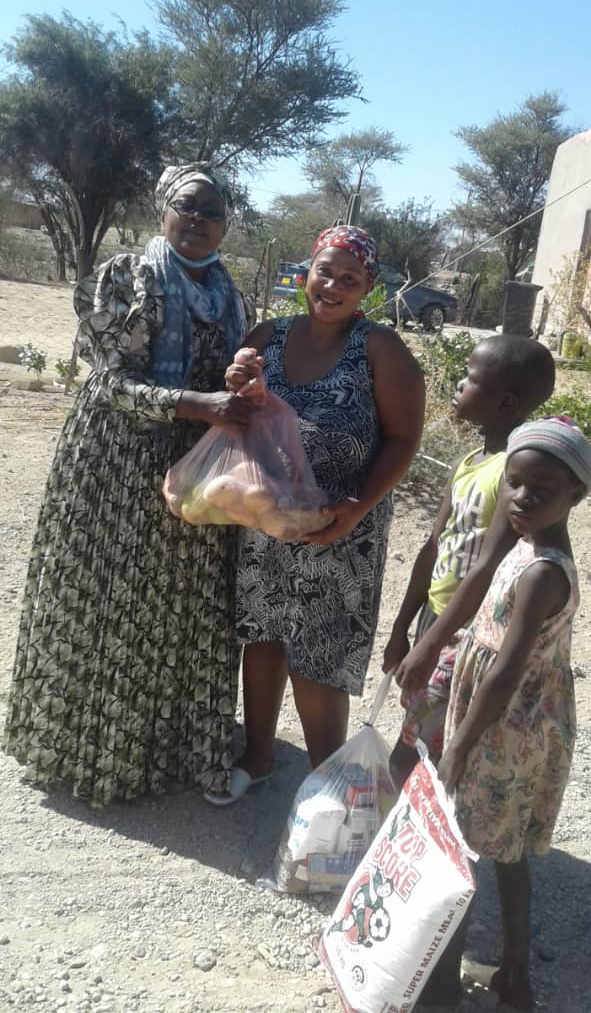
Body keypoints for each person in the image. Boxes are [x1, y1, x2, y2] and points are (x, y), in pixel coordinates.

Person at [3, 162, 254, 808]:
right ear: (163, 208)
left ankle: (169, 749)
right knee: (111, 602)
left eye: (212, 212)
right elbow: (108, 380)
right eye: (187, 206)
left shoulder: (231, 296)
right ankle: (94, 752)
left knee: (181, 605)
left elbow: (229, 380)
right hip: (116, 462)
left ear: (226, 226)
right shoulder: (126, 277)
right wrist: (194, 403)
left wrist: (238, 390)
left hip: (196, 467)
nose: (198, 220)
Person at [205, 225, 425, 804]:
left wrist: (356, 508)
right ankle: (258, 756)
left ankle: (327, 786)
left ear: (367, 287)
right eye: (325, 271)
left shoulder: (379, 348)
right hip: (268, 521)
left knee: (320, 654)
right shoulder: (268, 336)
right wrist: (237, 385)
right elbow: (240, 415)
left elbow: (404, 439)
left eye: (349, 278)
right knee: (262, 636)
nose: (333, 285)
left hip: (340, 528)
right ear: (307, 273)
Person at [437, 415, 590, 1011]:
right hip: (501, 716)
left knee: (474, 847)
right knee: (505, 849)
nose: (521, 498)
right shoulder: (527, 541)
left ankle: (450, 984)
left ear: (576, 495)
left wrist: (458, 745)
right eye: (514, 482)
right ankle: (514, 975)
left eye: (540, 490)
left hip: (506, 726)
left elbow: (504, 672)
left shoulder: (544, 572)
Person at [383, 336, 556, 788]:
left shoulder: (513, 474)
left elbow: (486, 566)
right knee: (419, 737)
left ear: (505, 402)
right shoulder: (469, 462)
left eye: (471, 378)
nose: (460, 384)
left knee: (412, 758)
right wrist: (403, 629)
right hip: (436, 619)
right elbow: (433, 546)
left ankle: (418, 828)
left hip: (468, 635)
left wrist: (430, 644)